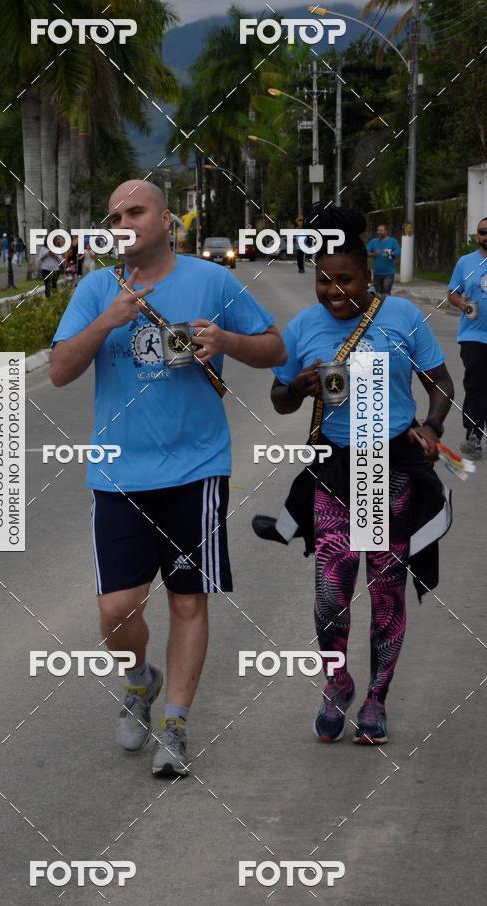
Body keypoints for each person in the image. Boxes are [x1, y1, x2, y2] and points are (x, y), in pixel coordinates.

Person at [49, 179, 286, 778]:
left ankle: (176, 726)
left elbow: (274, 348)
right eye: (113, 216)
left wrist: (224, 340)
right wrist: (106, 321)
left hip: (195, 468)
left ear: (165, 220)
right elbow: (58, 371)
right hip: (119, 473)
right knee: (116, 610)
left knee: (187, 599)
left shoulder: (212, 280)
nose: (123, 222)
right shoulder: (97, 287)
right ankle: (139, 678)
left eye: (136, 211)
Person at [253, 207, 454, 746]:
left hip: (391, 469)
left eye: (345, 280)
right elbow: (278, 398)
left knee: (385, 590)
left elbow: (440, 382)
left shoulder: (402, 318)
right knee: (330, 593)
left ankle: (376, 701)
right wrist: (298, 388)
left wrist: (432, 427)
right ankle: (337, 682)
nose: (333, 290)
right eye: (323, 280)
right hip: (336, 469)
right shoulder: (303, 327)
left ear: (368, 276)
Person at [447, 217, 487, 459]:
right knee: (476, 385)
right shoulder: (466, 262)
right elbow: (452, 292)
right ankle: (473, 435)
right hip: (474, 336)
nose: (486, 236)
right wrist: (461, 303)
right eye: (482, 232)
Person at [367, 224, 400, 295]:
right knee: (378, 294)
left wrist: (391, 253)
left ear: (386, 231)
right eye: (378, 230)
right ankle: (380, 306)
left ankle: (387, 305)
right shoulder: (373, 242)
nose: (379, 232)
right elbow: (365, 253)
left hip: (389, 273)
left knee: (386, 292)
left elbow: (398, 251)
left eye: (381, 230)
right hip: (377, 273)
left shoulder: (392, 241)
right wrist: (374, 254)